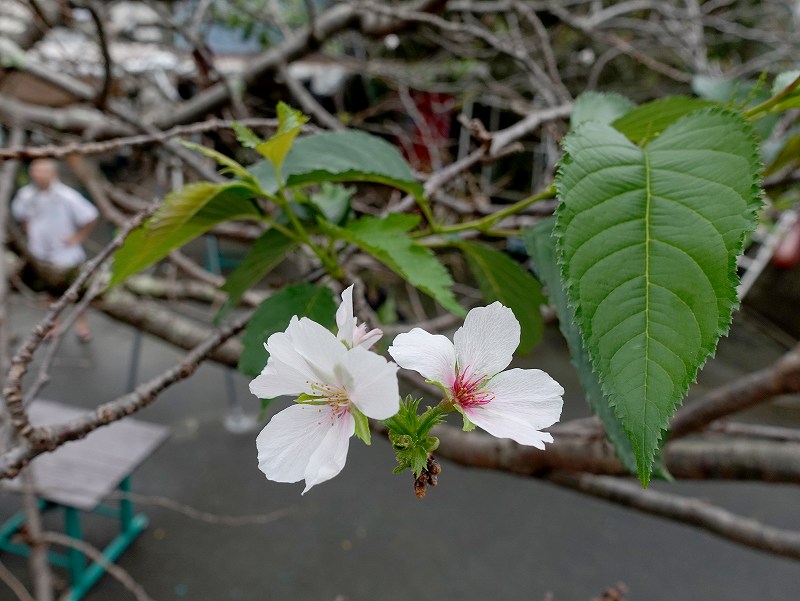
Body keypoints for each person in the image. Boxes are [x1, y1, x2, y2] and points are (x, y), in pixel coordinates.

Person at [11, 159, 99, 342]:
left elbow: (90, 215)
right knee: (50, 293)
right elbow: (22, 217)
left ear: (53, 173)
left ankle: (82, 326)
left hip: (66, 255)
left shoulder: (66, 196)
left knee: (76, 292)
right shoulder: (26, 195)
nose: (37, 175)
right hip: (40, 254)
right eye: (35, 171)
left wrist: (77, 237)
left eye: (42, 171)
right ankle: (53, 325)